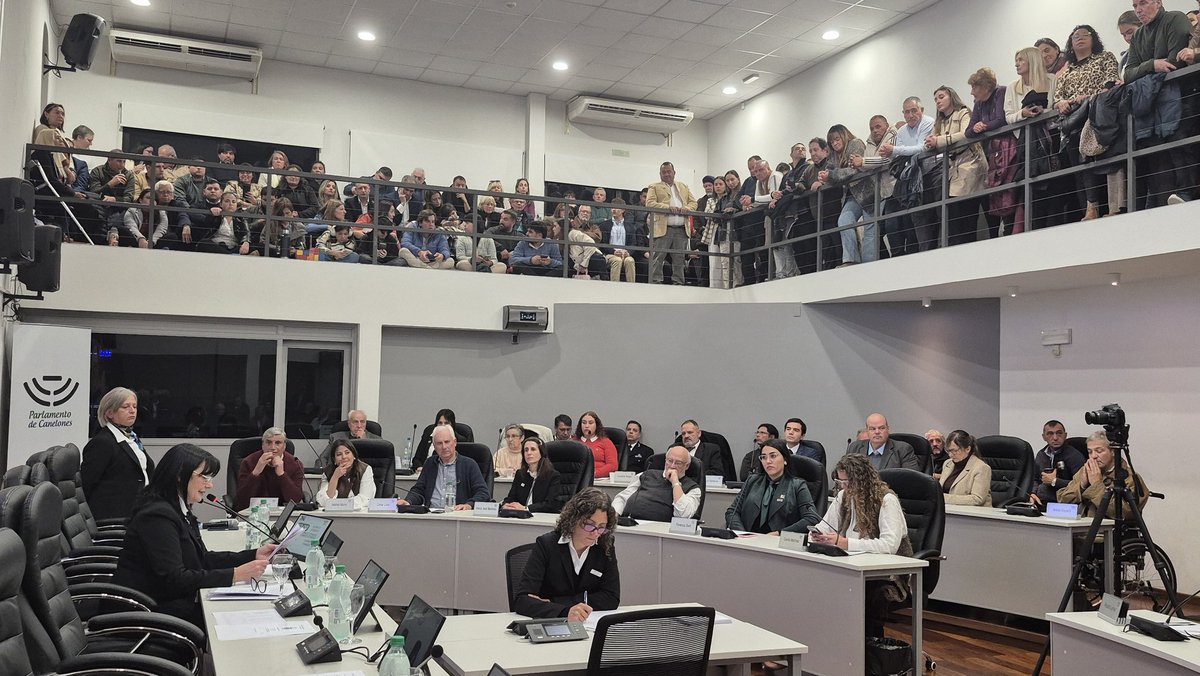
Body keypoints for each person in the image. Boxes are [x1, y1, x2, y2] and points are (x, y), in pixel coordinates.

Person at [114, 444, 274, 628]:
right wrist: (235, 575)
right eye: (204, 477)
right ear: (180, 476)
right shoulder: (157, 516)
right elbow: (175, 579)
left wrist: (253, 555)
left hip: (168, 602)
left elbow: (202, 558)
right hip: (148, 611)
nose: (210, 485)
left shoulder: (178, 508)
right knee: (237, 621)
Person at [810, 453, 911, 638]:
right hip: (849, 565)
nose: (844, 486)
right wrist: (817, 534)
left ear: (863, 479)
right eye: (841, 481)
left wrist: (846, 542)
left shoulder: (886, 500)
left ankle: (867, 651)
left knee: (866, 595)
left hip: (884, 575)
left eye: (849, 481)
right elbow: (824, 526)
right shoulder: (843, 496)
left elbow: (889, 545)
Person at [1123, 0, 1195, 208]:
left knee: (1182, 146)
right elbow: (1128, 74)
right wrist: (1153, 64)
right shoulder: (1138, 35)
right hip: (1152, 105)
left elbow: (1174, 61)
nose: (1138, 10)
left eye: (1143, 3)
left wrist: (1144, 70)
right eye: (1135, 5)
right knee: (1157, 154)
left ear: (1158, 2)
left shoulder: (1175, 18)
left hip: (1183, 96)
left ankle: (1187, 193)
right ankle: (1164, 202)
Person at [513, 487, 620, 620]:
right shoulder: (546, 545)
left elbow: (611, 597)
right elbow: (522, 600)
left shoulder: (605, 546)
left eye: (602, 527)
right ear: (573, 520)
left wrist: (554, 602)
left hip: (588, 625)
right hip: (550, 625)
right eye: (589, 525)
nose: (595, 533)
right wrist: (565, 611)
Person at [1054, 25, 1121, 220]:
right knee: (1079, 166)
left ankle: (1112, 206)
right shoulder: (1067, 71)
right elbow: (1058, 97)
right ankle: (1089, 207)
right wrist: (1062, 103)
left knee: (1104, 160)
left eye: (1085, 35)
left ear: (1094, 39)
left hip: (1098, 114)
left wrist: (1088, 96)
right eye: (1075, 36)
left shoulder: (1105, 57)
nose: (1080, 38)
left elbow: (1111, 82)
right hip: (1073, 121)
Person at [924, 85, 987, 245]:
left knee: (965, 214)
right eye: (936, 99)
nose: (938, 101)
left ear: (951, 96)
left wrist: (939, 141)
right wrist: (930, 143)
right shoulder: (940, 122)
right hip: (953, 169)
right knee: (954, 216)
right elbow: (930, 140)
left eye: (941, 97)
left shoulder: (963, 112)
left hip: (970, 164)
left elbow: (966, 133)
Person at [81, 387, 154, 522]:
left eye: (134, 406)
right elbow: (86, 484)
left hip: (138, 511)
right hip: (114, 517)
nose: (132, 411)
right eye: (125, 407)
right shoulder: (102, 443)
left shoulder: (131, 438)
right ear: (109, 413)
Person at [725, 440, 820, 534]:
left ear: (785, 459)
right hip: (748, 540)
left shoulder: (797, 485)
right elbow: (732, 512)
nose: (768, 461)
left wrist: (781, 533)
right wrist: (742, 533)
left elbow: (811, 518)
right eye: (763, 457)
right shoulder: (752, 481)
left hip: (778, 542)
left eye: (773, 456)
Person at [1057, 431, 1149, 518]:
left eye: (1099, 451)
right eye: (1090, 452)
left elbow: (1125, 513)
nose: (1093, 456)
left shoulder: (1130, 477)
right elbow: (1062, 500)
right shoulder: (1086, 470)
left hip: (1107, 532)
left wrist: (1096, 484)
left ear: (1112, 452)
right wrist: (1081, 486)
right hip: (1080, 528)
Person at [400, 425, 490, 509]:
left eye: (447, 442)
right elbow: (419, 490)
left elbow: (483, 493)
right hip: (431, 514)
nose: (444, 447)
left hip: (458, 516)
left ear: (455, 442)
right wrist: (408, 501)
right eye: (439, 443)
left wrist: (469, 505)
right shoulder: (430, 463)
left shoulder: (469, 465)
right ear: (434, 446)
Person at [612, 444, 701, 522]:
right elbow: (622, 498)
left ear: (687, 466)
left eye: (678, 463)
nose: (672, 466)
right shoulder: (646, 474)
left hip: (661, 531)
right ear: (665, 460)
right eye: (670, 461)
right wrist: (614, 515)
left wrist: (675, 483)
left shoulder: (693, 488)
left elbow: (683, 515)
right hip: (628, 522)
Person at [647, 161, 697, 285]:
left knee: (679, 259)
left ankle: (678, 282)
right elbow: (650, 203)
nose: (667, 174)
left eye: (669, 171)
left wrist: (687, 209)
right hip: (663, 227)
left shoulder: (683, 186)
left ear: (674, 172)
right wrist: (667, 207)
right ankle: (655, 282)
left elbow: (694, 203)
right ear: (660, 174)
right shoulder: (654, 187)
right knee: (658, 257)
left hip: (681, 228)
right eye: (664, 172)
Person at [235, 427, 304, 510]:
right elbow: (242, 499)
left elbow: (295, 500)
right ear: (263, 445)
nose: (273, 447)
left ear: (284, 446)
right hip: (253, 511)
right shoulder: (249, 462)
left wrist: (282, 475)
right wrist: (256, 472)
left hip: (282, 511)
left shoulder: (295, 464)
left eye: (278, 443)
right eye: (268, 443)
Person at [1029, 419, 1087, 507]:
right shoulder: (1041, 454)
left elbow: (1082, 485)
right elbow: (1035, 479)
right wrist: (1033, 493)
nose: (1055, 438)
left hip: (1065, 504)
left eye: (1059, 433)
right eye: (1050, 434)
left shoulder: (1074, 456)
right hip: (1042, 502)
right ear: (1044, 437)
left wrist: (1055, 481)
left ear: (1065, 435)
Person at [501, 437, 564, 513]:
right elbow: (511, 497)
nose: (529, 453)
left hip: (541, 517)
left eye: (533, 449)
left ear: (541, 453)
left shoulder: (553, 476)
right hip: (520, 517)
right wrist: (505, 504)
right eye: (526, 450)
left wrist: (526, 508)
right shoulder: (520, 474)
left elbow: (550, 504)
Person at [846, 413, 920, 471]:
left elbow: (911, 480)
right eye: (872, 429)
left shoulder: (903, 450)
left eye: (881, 428)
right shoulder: (854, 448)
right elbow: (842, 474)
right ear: (867, 431)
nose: (877, 432)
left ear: (888, 429)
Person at [316, 439, 376, 510]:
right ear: (334, 459)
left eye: (347, 453)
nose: (344, 457)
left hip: (359, 514)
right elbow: (324, 500)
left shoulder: (365, 469)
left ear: (354, 456)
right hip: (334, 514)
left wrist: (339, 505)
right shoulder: (328, 471)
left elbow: (365, 499)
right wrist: (335, 477)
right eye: (339, 454)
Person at [939, 430, 993, 506]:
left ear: (968, 449)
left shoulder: (981, 468)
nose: (950, 455)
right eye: (948, 451)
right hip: (949, 511)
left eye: (954, 451)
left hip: (974, 514)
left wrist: (943, 498)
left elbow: (977, 499)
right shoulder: (948, 464)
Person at [574, 411, 618, 479]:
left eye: (590, 423)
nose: (587, 426)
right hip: (577, 479)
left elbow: (612, 465)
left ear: (596, 425)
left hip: (598, 479)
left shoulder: (606, 442)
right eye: (584, 423)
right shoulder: (573, 442)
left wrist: (593, 473)